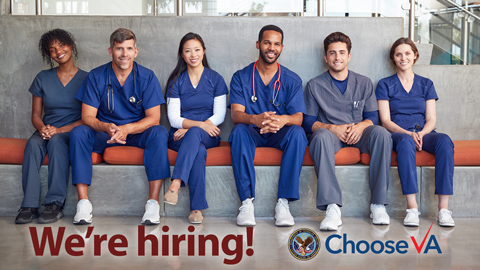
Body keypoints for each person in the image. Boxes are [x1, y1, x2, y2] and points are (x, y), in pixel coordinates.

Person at [70, 28, 170, 225]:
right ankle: (83, 203)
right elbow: (87, 117)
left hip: (135, 133)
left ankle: (153, 203)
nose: (124, 54)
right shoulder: (96, 76)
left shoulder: (147, 77)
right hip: (105, 132)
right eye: (119, 49)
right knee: (79, 132)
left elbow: (154, 118)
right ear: (110, 51)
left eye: (128, 48)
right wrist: (106, 126)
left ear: (136, 51)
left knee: (159, 132)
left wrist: (127, 129)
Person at [303, 32, 392, 231]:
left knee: (382, 134)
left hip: (359, 134)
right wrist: (332, 128)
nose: (337, 57)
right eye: (332, 53)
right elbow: (308, 121)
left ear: (349, 56)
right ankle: (332, 207)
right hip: (331, 136)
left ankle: (378, 204)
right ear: (325, 57)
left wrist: (360, 126)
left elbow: (374, 117)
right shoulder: (314, 85)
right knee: (319, 138)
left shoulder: (364, 82)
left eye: (342, 53)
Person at [229, 25, 308, 227]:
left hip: (278, 134)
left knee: (298, 133)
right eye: (267, 42)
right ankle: (246, 203)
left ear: (281, 47)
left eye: (276, 44)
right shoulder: (241, 77)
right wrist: (255, 119)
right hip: (251, 132)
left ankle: (283, 204)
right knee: (238, 131)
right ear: (258, 44)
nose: (271, 48)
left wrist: (283, 120)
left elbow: (298, 117)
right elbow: (236, 114)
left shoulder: (291, 79)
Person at [376, 37, 455, 227]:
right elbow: (385, 121)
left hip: (424, 133)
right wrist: (409, 134)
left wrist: (421, 134)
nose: (403, 58)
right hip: (399, 133)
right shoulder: (384, 84)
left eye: (407, 53)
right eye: (398, 54)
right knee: (404, 141)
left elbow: (431, 119)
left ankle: (443, 210)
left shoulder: (426, 84)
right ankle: (412, 209)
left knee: (445, 140)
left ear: (415, 56)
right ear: (393, 58)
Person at [15, 29, 88, 224]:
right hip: (46, 129)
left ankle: (55, 203)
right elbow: (36, 115)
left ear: (71, 45)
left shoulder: (87, 79)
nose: (58, 51)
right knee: (32, 144)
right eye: (52, 49)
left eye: (62, 46)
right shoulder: (42, 77)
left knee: (57, 142)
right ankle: (28, 205)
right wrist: (42, 128)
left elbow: (88, 118)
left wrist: (59, 130)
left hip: (71, 131)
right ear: (49, 54)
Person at [164, 33, 228, 224]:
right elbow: (173, 118)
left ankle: (175, 183)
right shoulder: (176, 81)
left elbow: (220, 116)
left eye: (197, 49)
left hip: (209, 134)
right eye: (188, 50)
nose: (193, 54)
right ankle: (196, 209)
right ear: (182, 55)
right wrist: (197, 125)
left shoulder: (215, 79)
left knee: (196, 136)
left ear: (204, 52)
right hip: (180, 135)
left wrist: (195, 127)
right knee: (198, 151)